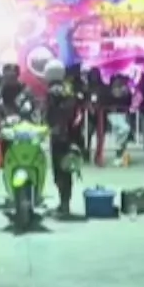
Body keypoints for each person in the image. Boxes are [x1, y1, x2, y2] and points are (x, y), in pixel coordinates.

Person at [44, 60, 84, 216]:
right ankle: (65, 204)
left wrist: (52, 127)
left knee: (60, 171)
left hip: (59, 136)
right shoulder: (68, 89)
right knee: (66, 170)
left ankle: (64, 205)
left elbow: (53, 114)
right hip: (71, 135)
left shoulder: (53, 91)